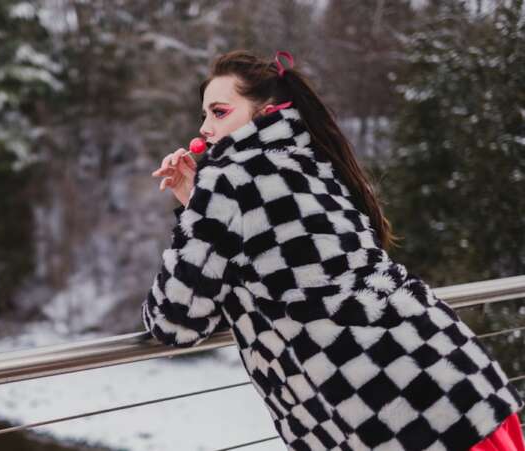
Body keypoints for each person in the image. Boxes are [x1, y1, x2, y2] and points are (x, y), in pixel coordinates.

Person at [141, 49, 524, 450]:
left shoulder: (228, 180)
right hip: (457, 379)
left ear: (266, 111)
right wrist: (198, 205)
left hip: (400, 417)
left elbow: (174, 321)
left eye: (219, 112)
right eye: (204, 115)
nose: (205, 128)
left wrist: (196, 210)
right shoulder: (312, 163)